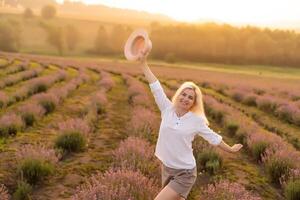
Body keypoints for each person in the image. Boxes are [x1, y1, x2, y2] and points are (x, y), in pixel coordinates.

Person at [137, 49, 243, 200]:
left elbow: (214, 138)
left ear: (193, 103)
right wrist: (143, 64)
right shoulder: (167, 109)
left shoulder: (196, 121)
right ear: (178, 95)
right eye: (183, 94)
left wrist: (231, 150)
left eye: (190, 97)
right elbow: (155, 86)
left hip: (185, 172)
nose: (186, 98)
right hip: (167, 168)